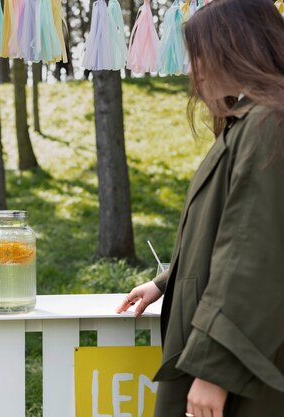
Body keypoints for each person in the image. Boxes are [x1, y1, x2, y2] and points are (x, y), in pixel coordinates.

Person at [116, 1, 284, 416]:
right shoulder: (250, 121)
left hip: (240, 367)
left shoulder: (268, 124)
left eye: (200, 55)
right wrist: (166, 280)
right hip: (228, 353)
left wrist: (215, 372)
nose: (193, 71)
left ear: (236, 48)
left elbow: (253, 254)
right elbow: (230, 230)